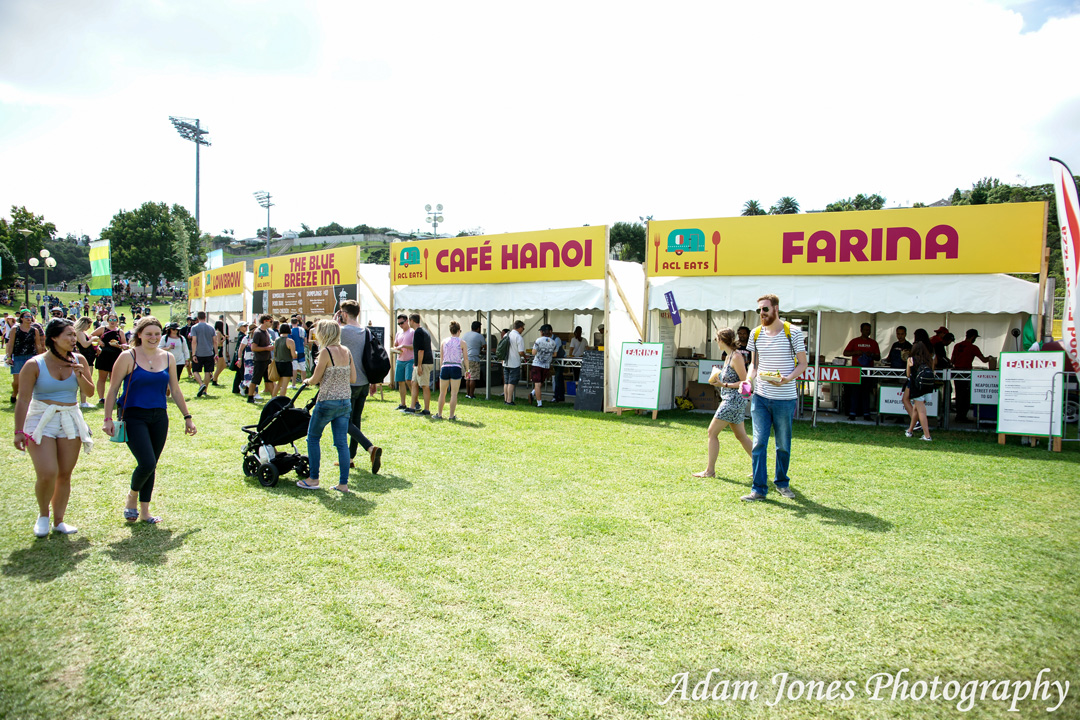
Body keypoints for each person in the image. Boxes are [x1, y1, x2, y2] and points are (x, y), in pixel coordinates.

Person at [103, 317, 197, 523]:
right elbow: (112, 390)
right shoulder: (128, 356)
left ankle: (145, 511)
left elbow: (175, 390)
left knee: (152, 464)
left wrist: (187, 417)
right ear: (139, 335)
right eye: (148, 334)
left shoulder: (168, 357)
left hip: (159, 417)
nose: (153, 338)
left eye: (156, 334)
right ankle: (131, 497)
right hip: (134, 416)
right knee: (146, 462)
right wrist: (107, 419)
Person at [14, 318, 96, 537]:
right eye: (69, 334)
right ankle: (43, 515)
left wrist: (79, 374)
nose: (73, 338)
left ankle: (59, 521)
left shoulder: (79, 360)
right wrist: (19, 431)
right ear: (53, 338)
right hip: (41, 419)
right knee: (48, 472)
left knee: (64, 474)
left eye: (74, 334)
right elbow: (23, 400)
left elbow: (89, 393)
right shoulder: (34, 364)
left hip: (70, 418)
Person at [744, 294, 807, 501]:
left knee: (783, 445)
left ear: (776, 309)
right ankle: (758, 489)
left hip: (785, 399)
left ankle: (782, 483)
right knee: (759, 443)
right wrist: (748, 380)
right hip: (761, 397)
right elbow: (754, 364)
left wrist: (787, 378)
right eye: (759, 310)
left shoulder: (793, 332)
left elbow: (803, 363)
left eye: (765, 309)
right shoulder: (755, 333)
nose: (761, 313)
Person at [300, 319, 356, 491]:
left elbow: (315, 379)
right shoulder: (346, 351)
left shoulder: (326, 352)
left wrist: (307, 381)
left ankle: (313, 478)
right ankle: (343, 484)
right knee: (341, 443)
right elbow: (353, 378)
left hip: (327, 401)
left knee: (313, 438)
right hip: (345, 401)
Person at [692, 328, 752, 478]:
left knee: (711, 432)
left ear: (722, 340)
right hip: (731, 400)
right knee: (741, 436)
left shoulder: (736, 357)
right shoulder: (728, 356)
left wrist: (723, 385)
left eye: (717, 339)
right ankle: (760, 467)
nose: (716, 342)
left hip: (733, 401)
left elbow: (745, 382)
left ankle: (710, 471)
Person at [336, 301, 382, 473]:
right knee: (355, 421)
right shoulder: (366, 331)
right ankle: (350, 458)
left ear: (344, 314)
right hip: (364, 381)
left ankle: (370, 448)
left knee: (343, 420)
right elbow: (370, 356)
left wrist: (334, 322)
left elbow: (326, 342)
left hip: (348, 382)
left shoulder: (341, 331)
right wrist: (373, 381)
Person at [843, 322, 880, 421]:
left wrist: (871, 354)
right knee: (854, 393)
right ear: (861, 330)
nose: (867, 332)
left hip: (868, 371)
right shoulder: (854, 341)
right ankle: (852, 414)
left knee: (866, 393)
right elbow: (845, 353)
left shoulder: (873, 343)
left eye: (869, 330)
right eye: (865, 330)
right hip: (856, 371)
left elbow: (878, 357)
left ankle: (866, 414)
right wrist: (856, 352)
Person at [951, 328, 990, 423]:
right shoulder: (973, 347)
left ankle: (958, 415)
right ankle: (962, 416)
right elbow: (984, 360)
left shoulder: (957, 345)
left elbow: (952, 360)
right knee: (966, 395)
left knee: (958, 394)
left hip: (957, 372)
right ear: (973, 337)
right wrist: (990, 358)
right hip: (966, 373)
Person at [6, 309, 45, 403]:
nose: (29, 318)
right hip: (18, 356)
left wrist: (40, 357)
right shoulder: (15, 329)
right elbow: (11, 344)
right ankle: (14, 393)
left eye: (30, 316)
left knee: (31, 380)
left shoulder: (34, 330)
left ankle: (28, 398)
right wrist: (9, 357)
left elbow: (38, 344)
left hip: (31, 356)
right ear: (21, 319)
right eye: (26, 316)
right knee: (17, 381)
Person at [91, 312, 126, 403]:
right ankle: (101, 398)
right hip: (104, 355)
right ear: (107, 321)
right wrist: (99, 341)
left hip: (116, 356)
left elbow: (125, 344)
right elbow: (91, 335)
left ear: (117, 321)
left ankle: (113, 397)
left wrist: (118, 345)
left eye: (114, 320)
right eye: (110, 319)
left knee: (113, 379)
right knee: (102, 378)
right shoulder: (103, 329)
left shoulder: (119, 331)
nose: (112, 321)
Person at [436, 322, 467, 420]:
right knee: (454, 394)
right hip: (456, 367)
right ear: (458, 331)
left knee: (442, 393)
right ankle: (451, 415)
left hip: (445, 366)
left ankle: (439, 414)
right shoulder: (462, 342)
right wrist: (468, 370)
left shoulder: (444, 341)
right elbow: (466, 358)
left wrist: (441, 368)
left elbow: (441, 358)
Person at [906, 340, 935, 441]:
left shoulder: (911, 359)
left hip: (917, 388)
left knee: (921, 411)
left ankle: (927, 436)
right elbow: (932, 372)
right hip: (928, 387)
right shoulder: (929, 359)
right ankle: (910, 431)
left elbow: (908, 375)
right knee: (916, 408)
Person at [407, 313, 433, 416]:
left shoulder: (418, 332)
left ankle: (426, 410)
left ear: (412, 321)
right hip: (420, 363)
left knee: (424, 385)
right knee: (413, 383)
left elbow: (421, 350)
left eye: (409, 321)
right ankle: (412, 407)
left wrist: (419, 365)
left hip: (423, 363)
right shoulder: (422, 331)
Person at [247, 315, 275, 404]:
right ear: (265, 321)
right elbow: (253, 348)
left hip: (267, 359)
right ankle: (250, 397)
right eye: (270, 321)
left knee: (269, 380)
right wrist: (266, 348)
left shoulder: (266, 331)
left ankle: (274, 399)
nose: (272, 323)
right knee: (255, 380)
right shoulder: (258, 332)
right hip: (259, 360)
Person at [188, 311, 217, 398]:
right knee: (208, 371)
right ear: (205, 317)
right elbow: (215, 341)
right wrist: (216, 353)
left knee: (195, 371)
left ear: (197, 317)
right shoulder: (211, 327)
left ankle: (201, 384)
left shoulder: (194, 327)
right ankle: (205, 390)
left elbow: (194, 341)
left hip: (198, 353)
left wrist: (193, 354)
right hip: (209, 352)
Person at [73, 317, 99, 408]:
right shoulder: (79, 333)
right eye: (88, 325)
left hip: (89, 357)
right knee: (86, 379)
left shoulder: (83, 332)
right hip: (86, 357)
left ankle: (83, 401)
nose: (89, 327)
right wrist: (92, 339)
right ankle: (83, 402)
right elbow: (84, 344)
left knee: (86, 379)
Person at [390, 314, 415, 410]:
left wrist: (404, 346)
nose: (400, 325)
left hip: (410, 359)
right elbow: (396, 344)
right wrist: (395, 347)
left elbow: (414, 346)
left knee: (409, 381)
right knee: (400, 381)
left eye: (402, 323)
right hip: (400, 359)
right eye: (399, 324)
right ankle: (403, 403)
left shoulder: (412, 332)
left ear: (407, 321)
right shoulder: (398, 333)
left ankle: (415, 402)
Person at [529, 324, 558, 407]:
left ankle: (539, 403)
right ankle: (532, 393)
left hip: (537, 364)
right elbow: (555, 354)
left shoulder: (538, 340)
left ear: (542, 332)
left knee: (537, 384)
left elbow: (533, 352)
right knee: (541, 382)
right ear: (550, 332)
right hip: (546, 365)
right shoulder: (553, 342)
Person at [503, 320, 526, 405]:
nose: (523, 330)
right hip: (514, 362)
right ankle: (509, 400)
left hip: (505, 362)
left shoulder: (506, 335)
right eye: (523, 328)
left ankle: (505, 399)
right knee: (511, 382)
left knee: (506, 382)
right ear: (520, 327)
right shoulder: (518, 337)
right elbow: (521, 352)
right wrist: (525, 356)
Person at [462, 321, 485, 399]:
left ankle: (467, 393)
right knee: (473, 377)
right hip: (473, 359)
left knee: (467, 377)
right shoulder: (479, 336)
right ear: (478, 328)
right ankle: (471, 395)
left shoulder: (465, 335)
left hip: (465, 358)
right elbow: (485, 346)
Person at [271, 328, 297, 397]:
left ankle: (273, 398)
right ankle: (281, 400)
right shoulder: (290, 341)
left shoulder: (277, 340)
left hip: (277, 363)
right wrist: (296, 353)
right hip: (286, 364)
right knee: (284, 385)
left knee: (279, 384)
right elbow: (294, 355)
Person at [289, 317, 308, 388]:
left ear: (291, 323)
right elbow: (305, 342)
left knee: (294, 368)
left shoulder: (291, 331)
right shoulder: (302, 330)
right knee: (303, 367)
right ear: (297, 322)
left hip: (294, 351)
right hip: (301, 351)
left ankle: (293, 384)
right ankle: (304, 383)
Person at [231, 322, 248, 394]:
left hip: (239, 357)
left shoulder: (241, 335)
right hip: (241, 357)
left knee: (239, 374)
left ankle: (236, 389)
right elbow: (240, 349)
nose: (246, 327)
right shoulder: (242, 336)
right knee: (243, 374)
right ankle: (245, 389)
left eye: (246, 326)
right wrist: (239, 359)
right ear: (240, 327)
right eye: (244, 326)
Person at [211, 320, 228, 387]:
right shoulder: (218, 332)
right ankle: (214, 380)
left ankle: (214, 378)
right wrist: (224, 339)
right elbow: (218, 342)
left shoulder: (215, 332)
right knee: (219, 366)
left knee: (224, 365)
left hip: (218, 349)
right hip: (219, 349)